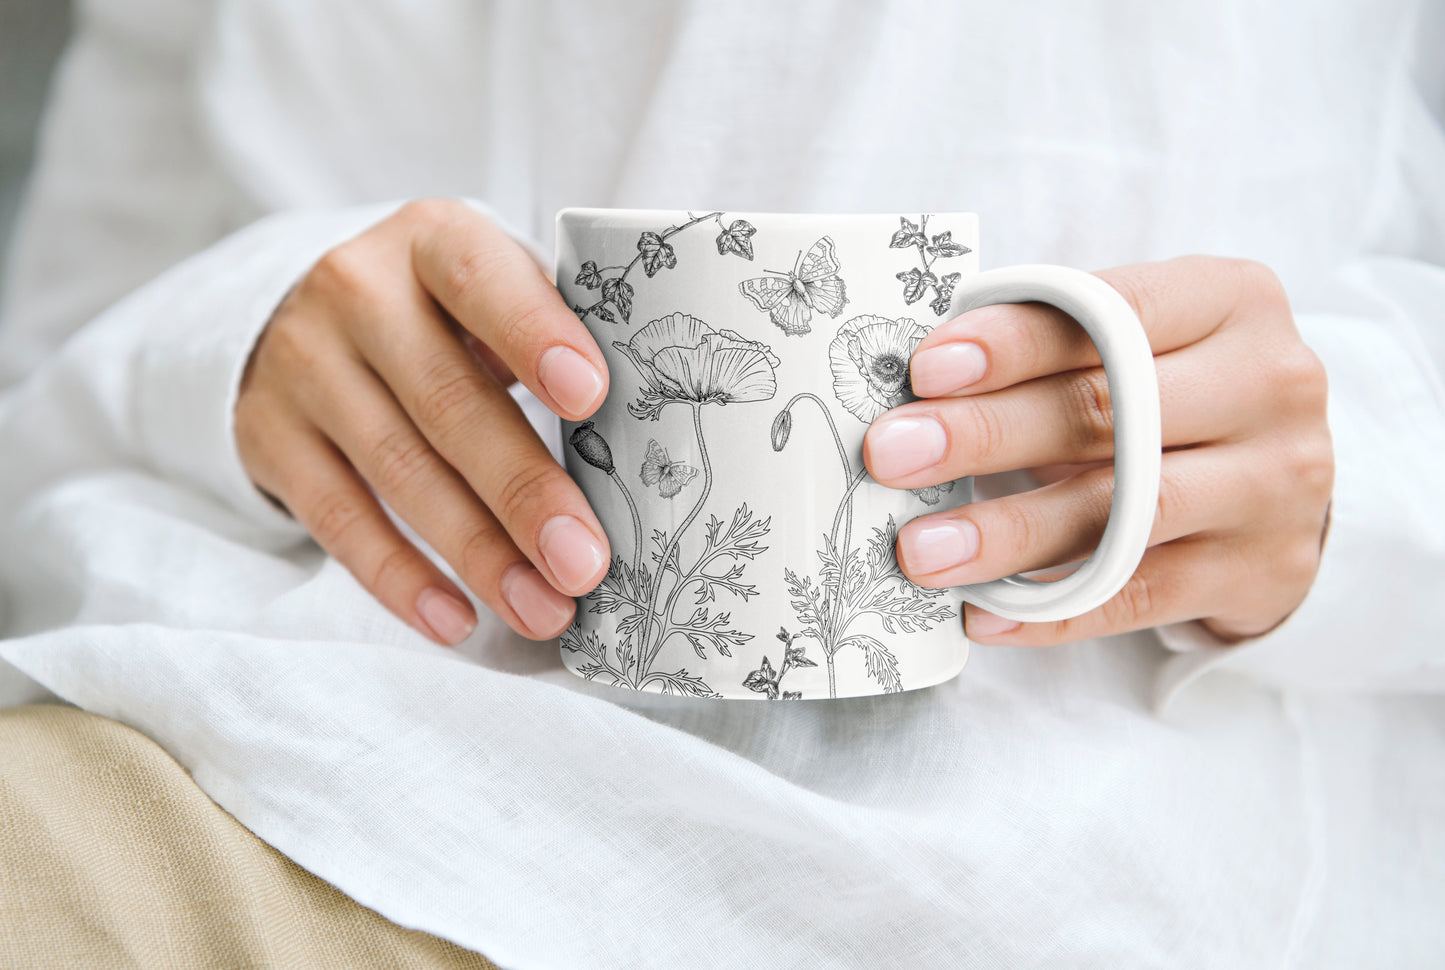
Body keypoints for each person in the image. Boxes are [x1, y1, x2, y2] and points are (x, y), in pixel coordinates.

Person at [0, 1, 1441, 967]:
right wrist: (239, 339)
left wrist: (1348, 473)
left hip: (1098, 852)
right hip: (312, 744)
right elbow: (58, 344)